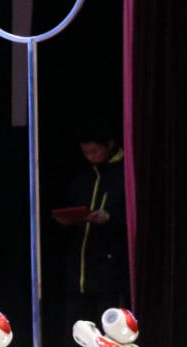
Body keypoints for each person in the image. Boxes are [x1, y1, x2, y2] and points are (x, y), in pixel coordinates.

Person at [53, 120, 130, 332]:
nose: (90, 156)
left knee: (109, 330)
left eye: (94, 151)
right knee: (78, 330)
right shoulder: (83, 176)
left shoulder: (124, 173)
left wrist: (110, 217)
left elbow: (133, 215)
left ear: (109, 145)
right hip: (79, 270)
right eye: (85, 152)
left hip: (110, 269)